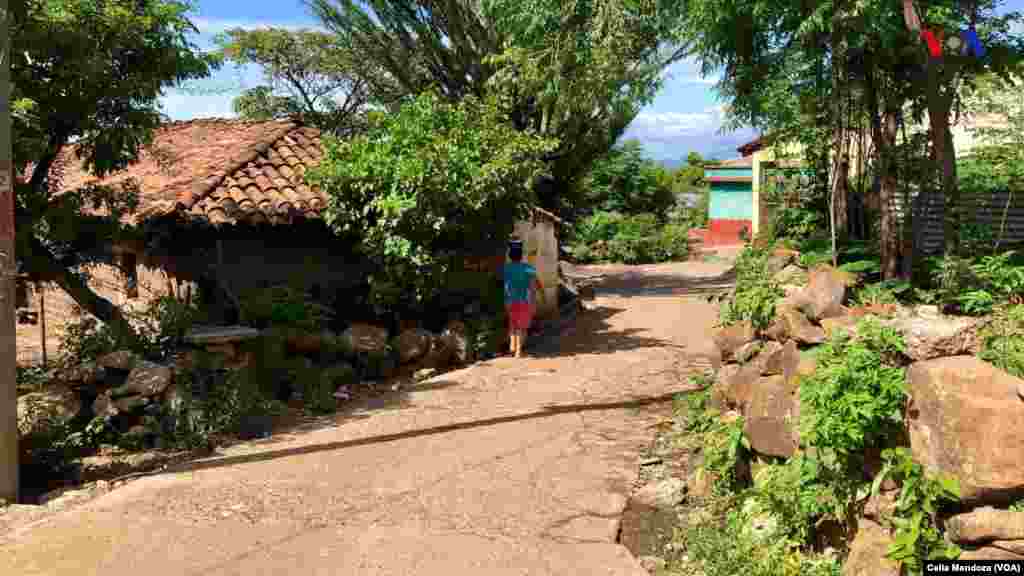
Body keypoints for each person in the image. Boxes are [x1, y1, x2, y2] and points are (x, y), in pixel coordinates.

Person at [503, 239, 544, 358]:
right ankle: (518, 351)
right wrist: (540, 296)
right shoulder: (528, 268)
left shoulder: (506, 268)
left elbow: (505, 285)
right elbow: (535, 284)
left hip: (510, 301)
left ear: (510, 256)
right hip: (525, 301)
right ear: (521, 256)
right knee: (522, 327)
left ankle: (512, 346)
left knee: (513, 325)